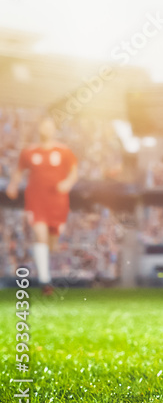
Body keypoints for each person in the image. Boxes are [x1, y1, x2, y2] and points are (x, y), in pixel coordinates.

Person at [5, 116, 78, 295]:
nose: (46, 129)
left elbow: (74, 172)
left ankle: (46, 269)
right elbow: (19, 170)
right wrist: (13, 185)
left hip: (58, 202)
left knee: (52, 244)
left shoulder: (64, 151)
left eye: (49, 126)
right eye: (43, 126)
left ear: (54, 129)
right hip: (36, 201)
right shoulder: (29, 152)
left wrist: (67, 183)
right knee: (40, 235)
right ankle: (45, 282)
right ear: (40, 129)